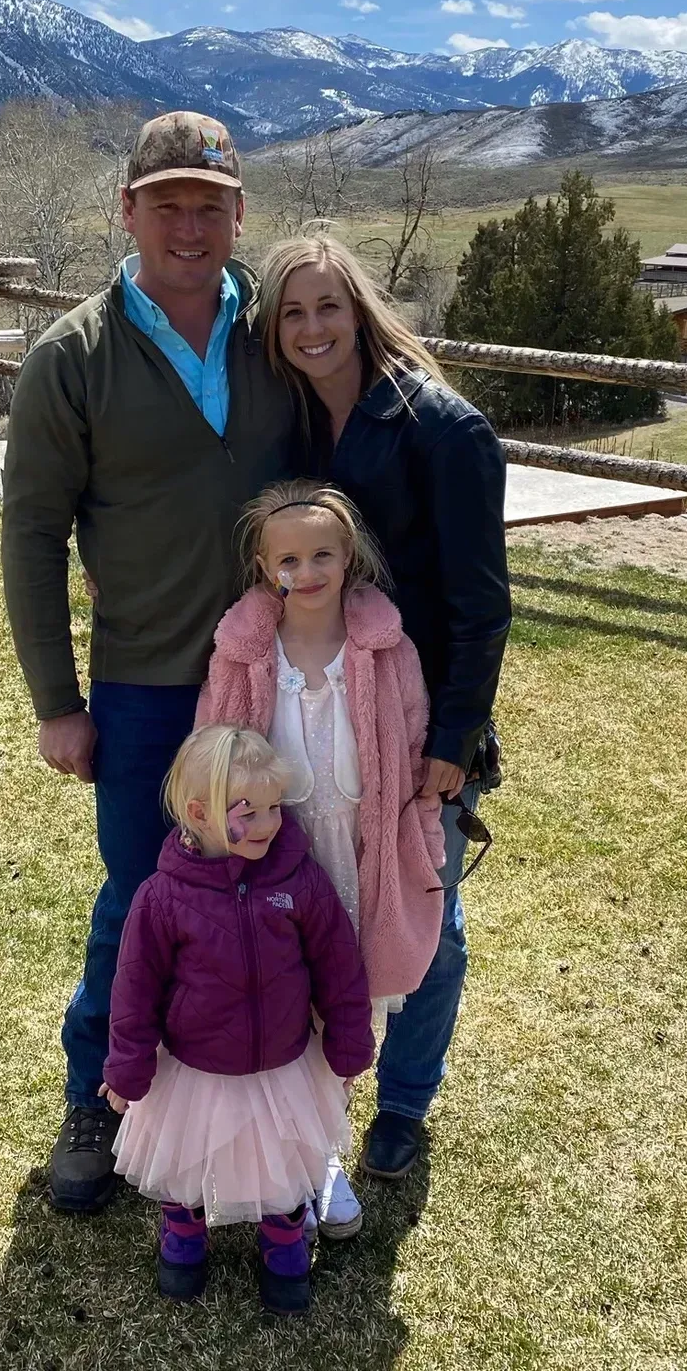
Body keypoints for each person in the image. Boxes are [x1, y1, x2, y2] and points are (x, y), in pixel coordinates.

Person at [1, 113, 297, 1213]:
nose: (188, 223)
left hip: (275, 678)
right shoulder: (72, 357)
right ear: (125, 211)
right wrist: (57, 702)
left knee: (277, 885)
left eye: (208, 204)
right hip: (144, 681)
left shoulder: (279, 331)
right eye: (164, 202)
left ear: (238, 215)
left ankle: (259, 1104)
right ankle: (96, 1093)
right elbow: (32, 532)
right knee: (143, 895)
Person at [257, 231, 512, 1183]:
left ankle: (404, 1102)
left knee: (424, 915)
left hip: (412, 720)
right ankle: (310, 1080)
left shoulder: (441, 428)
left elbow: (480, 605)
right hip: (314, 701)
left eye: (327, 306)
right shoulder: (289, 426)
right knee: (319, 891)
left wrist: (453, 738)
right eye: (292, 312)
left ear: (359, 310)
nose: (312, 327)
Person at [195, 480, 445, 1238]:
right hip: (278, 865)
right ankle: (279, 1161)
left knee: (342, 1012)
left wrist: (421, 845)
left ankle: (324, 1158)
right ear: (263, 566)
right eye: (289, 559)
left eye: (322, 556)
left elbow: (410, 751)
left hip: (360, 860)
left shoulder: (385, 651)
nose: (305, 573)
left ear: (350, 558)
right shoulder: (242, 651)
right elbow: (212, 743)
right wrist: (222, 843)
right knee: (280, 1007)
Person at [101, 725, 374, 1314]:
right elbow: (135, 991)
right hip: (193, 1068)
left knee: (282, 1159)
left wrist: (349, 1045)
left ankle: (281, 1240)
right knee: (188, 1161)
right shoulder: (162, 897)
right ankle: (185, 1229)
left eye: (276, 806)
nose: (271, 824)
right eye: (250, 812)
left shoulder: (298, 880)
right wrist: (127, 1073)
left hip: (284, 1065)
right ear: (199, 813)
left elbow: (338, 964)